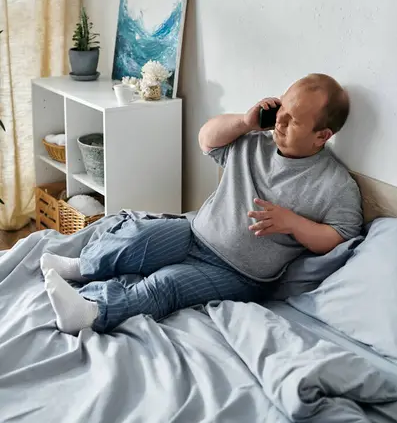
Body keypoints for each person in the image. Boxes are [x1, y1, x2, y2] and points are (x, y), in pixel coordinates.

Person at [41, 73, 362, 335]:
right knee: (137, 235)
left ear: (322, 136)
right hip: (195, 232)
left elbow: (342, 236)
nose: (280, 123)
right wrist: (247, 121)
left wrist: (293, 223)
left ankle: (92, 313)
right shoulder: (253, 143)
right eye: (282, 111)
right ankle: (80, 268)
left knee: (166, 283)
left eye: (293, 122)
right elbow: (206, 139)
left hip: (240, 274)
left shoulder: (334, 185)